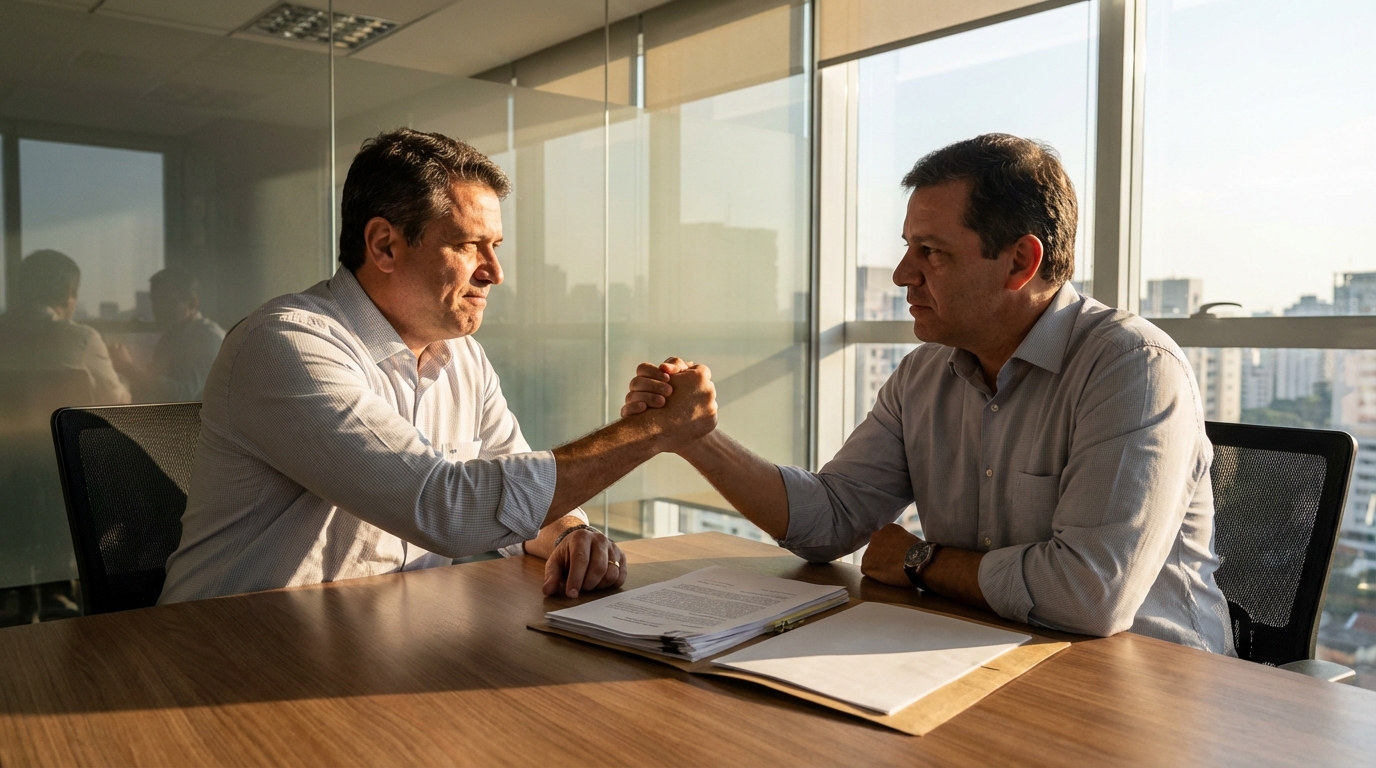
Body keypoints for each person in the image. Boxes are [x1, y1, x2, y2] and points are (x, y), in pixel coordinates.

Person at [623, 134, 1231, 653]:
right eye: (908, 247)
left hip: (1152, 684)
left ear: (1020, 261)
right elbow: (831, 523)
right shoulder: (923, 375)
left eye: (930, 252)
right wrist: (696, 439)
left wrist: (921, 562)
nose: (902, 274)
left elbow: (1088, 595)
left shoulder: (1132, 366)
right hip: (981, 651)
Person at [160, 128, 716, 604]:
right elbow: (446, 506)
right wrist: (647, 433)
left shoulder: (463, 357)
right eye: (471, 245)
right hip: (228, 652)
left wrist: (570, 531)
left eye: (496, 245)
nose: (494, 272)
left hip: (380, 640)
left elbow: (512, 488)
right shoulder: (285, 346)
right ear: (384, 246)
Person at [0, 249, 130, 405]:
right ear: (69, 291)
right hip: (65, 429)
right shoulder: (83, 339)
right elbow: (116, 403)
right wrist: (123, 378)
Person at [109, 267, 226, 403]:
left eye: (167, 301)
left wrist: (128, 367)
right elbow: (153, 390)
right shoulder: (169, 338)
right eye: (155, 301)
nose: (158, 308)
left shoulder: (210, 339)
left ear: (193, 303)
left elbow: (183, 394)